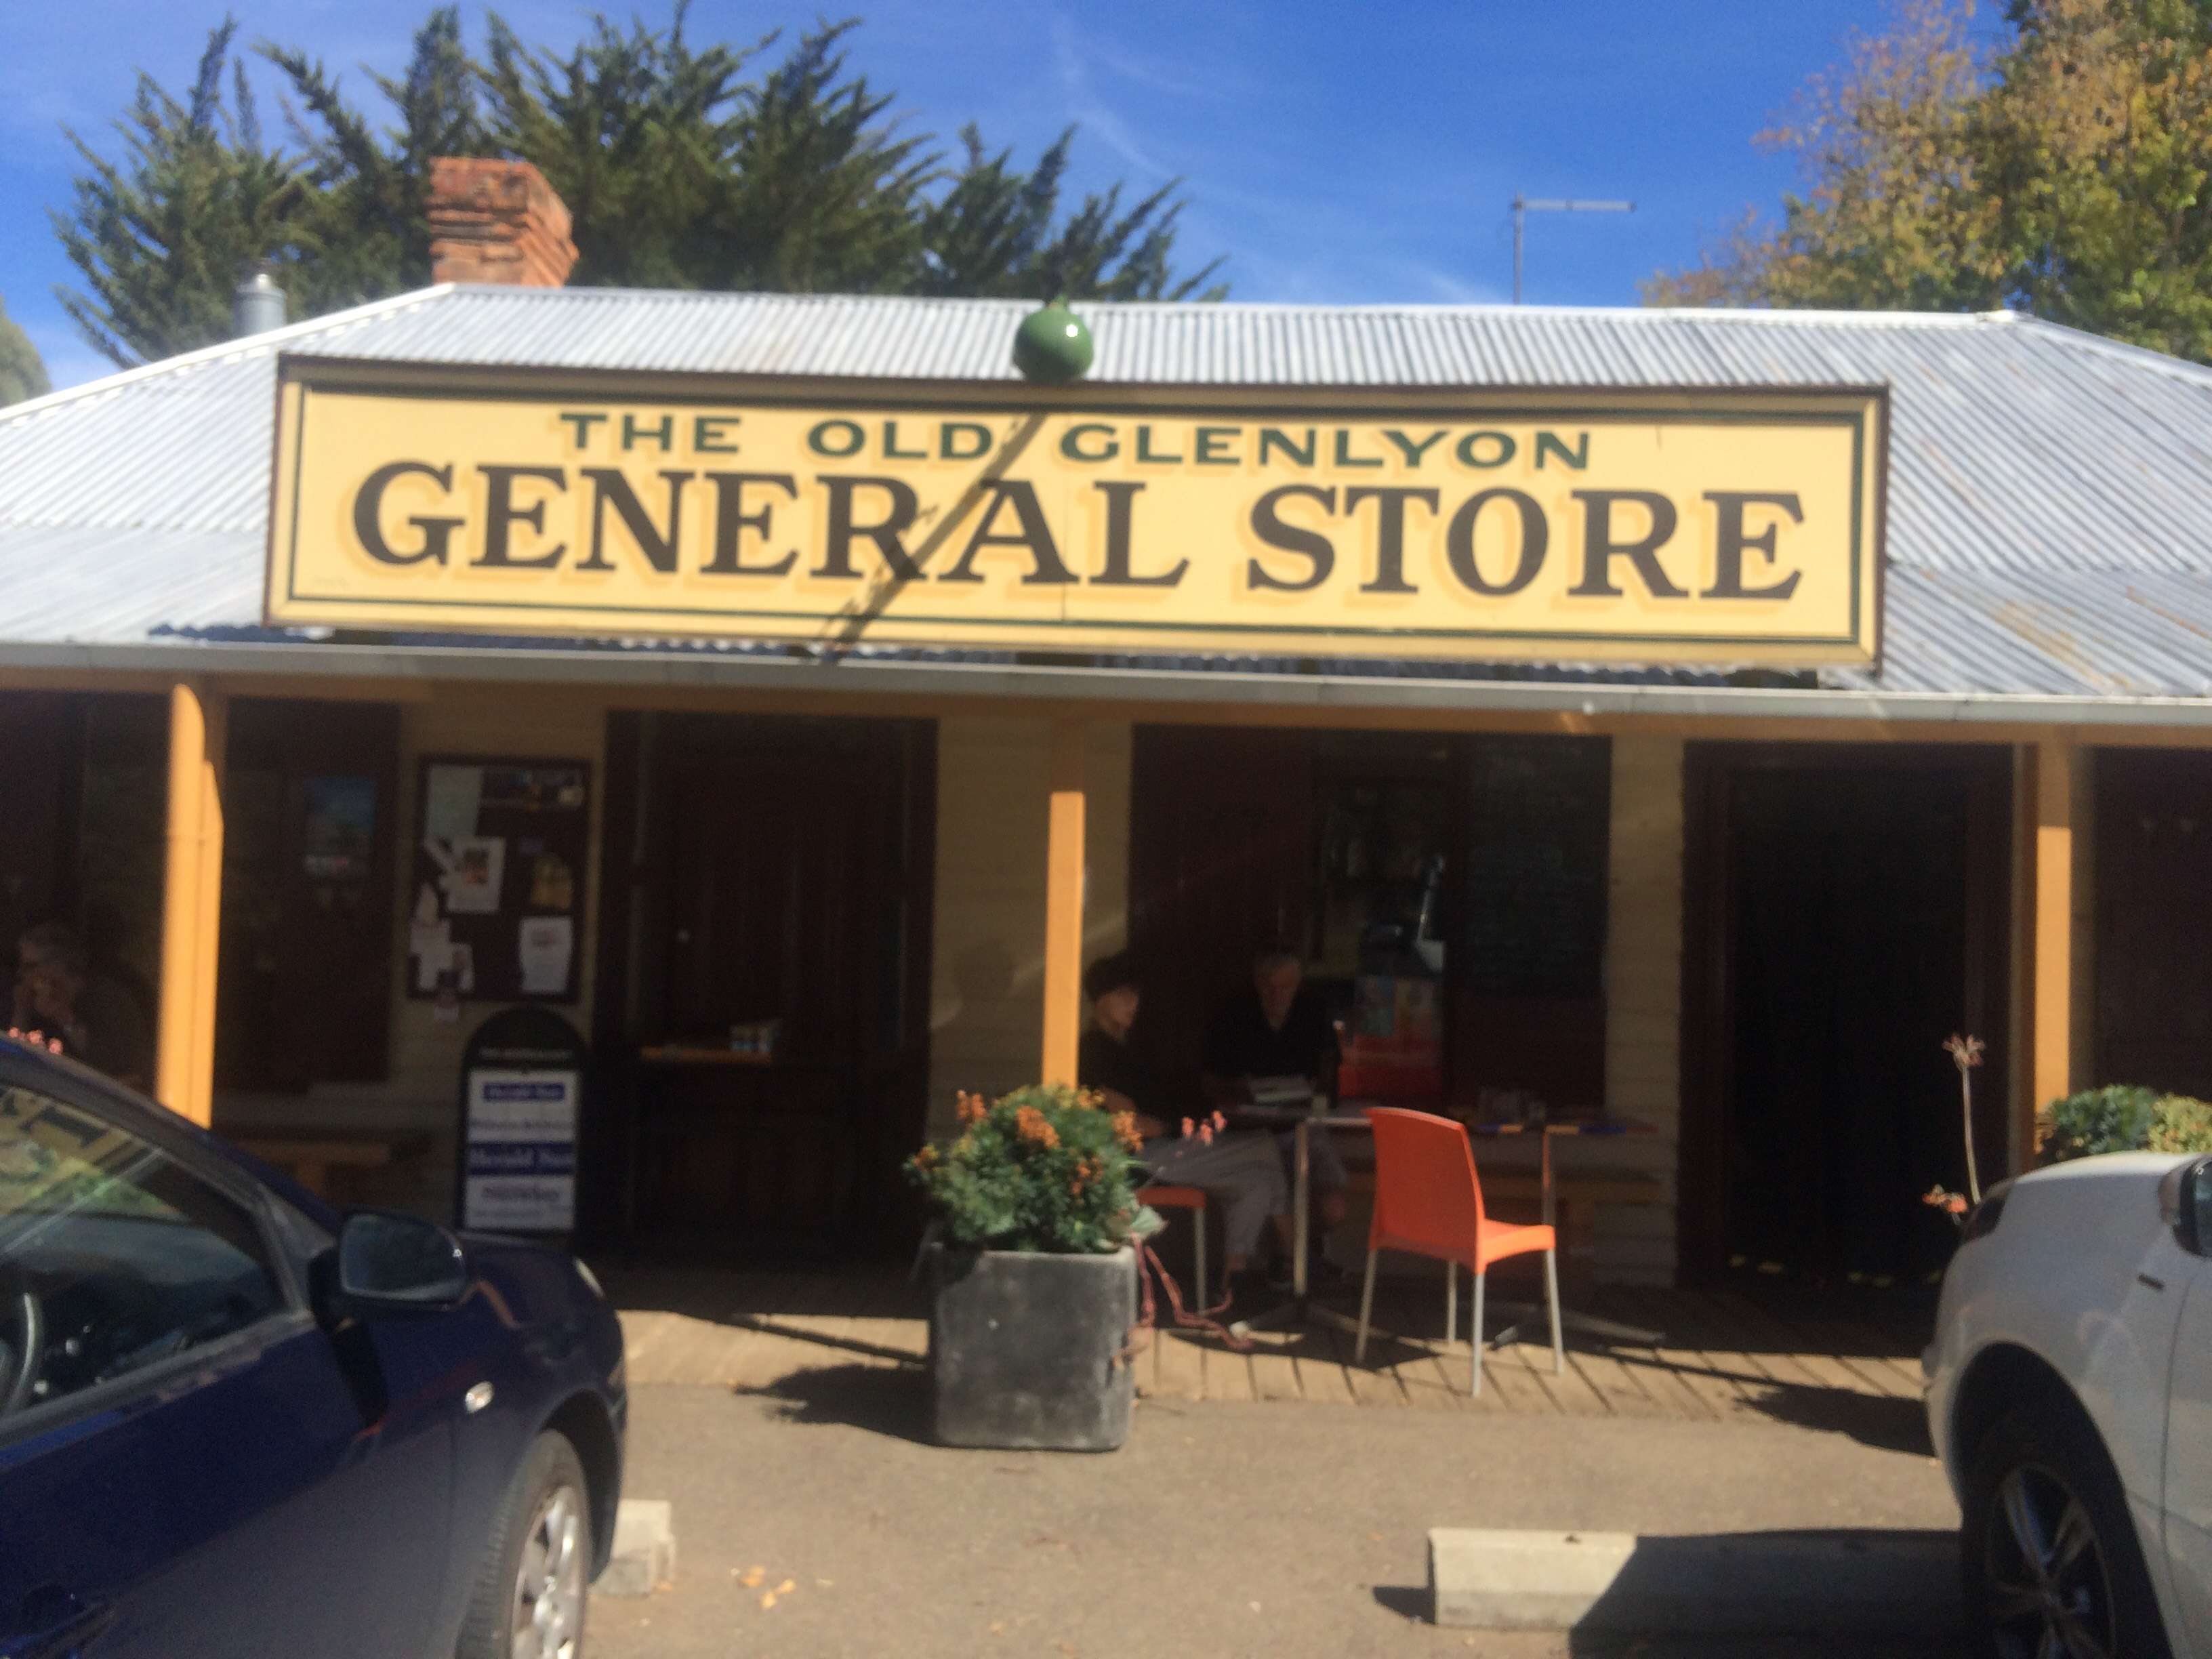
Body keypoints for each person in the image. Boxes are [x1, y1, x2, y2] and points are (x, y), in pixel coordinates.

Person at [1076, 951, 1288, 1302]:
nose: (1134, 1004)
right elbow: (1133, 1123)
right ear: (1101, 999)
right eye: (1124, 995)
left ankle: (1233, 1282)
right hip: (1138, 1161)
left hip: (1160, 1149)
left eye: (1137, 995)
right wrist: (1167, 1123)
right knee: (1265, 1145)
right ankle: (1294, 1259)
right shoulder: (1094, 1052)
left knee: (1259, 1178)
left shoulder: (1122, 1047)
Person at [1204, 943, 1350, 1232]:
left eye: (1286, 987)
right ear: (1257, 984)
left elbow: (1329, 1072)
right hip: (1250, 1128)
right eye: (1269, 987)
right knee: (1271, 1185)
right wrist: (1239, 1091)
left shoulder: (1313, 1012)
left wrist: (1315, 1093)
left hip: (1303, 1125)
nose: (1277, 995)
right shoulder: (1234, 1015)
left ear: (1298, 985)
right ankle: (1288, 1262)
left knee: (1332, 1200)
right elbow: (1211, 1080)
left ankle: (1310, 1256)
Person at [11, 922, 152, 1093]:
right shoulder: (33, 1005)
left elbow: (118, 1072)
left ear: (57, 966)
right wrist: (22, 1011)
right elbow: (15, 1065)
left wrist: (65, 1019)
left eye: (30, 967)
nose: (22, 975)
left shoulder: (110, 1001)